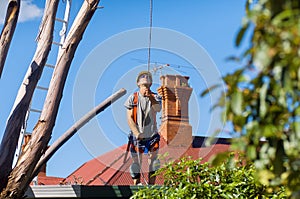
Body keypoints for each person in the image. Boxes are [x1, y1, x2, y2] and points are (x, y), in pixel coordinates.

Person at [124, 71, 161, 185]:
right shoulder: (133, 98)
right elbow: (129, 118)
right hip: (137, 134)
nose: (145, 78)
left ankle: (152, 184)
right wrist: (136, 132)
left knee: (154, 161)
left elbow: (158, 108)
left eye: (148, 77)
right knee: (136, 161)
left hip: (151, 135)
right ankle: (136, 183)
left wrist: (151, 97)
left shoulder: (155, 97)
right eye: (142, 77)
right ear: (138, 83)